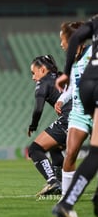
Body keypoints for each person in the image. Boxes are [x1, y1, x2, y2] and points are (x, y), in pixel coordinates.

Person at [53, 14, 98, 217]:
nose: (62, 45)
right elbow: (71, 86)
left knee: (94, 155)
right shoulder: (79, 56)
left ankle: (67, 203)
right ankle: (66, 200)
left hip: (90, 97)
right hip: (81, 110)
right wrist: (63, 98)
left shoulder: (91, 51)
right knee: (73, 153)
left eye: (63, 41)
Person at [27, 55, 71, 197]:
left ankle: (53, 181)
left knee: (34, 149)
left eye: (34, 73)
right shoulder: (62, 76)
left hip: (69, 119)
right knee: (54, 147)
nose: (33, 78)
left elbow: (38, 109)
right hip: (83, 118)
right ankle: (60, 181)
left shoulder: (43, 84)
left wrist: (33, 125)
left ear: (42, 69)